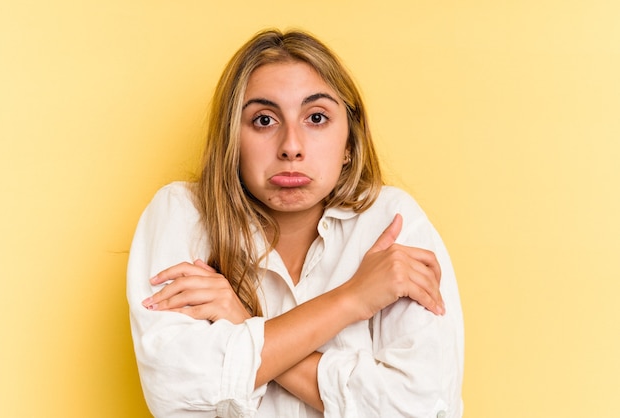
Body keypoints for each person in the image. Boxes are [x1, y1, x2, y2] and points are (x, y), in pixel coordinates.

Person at [127, 29, 464, 418]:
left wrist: (244, 324)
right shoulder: (181, 216)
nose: (291, 146)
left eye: (316, 118)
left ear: (350, 144)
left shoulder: (391, 222)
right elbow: (176, 390)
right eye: (264, 120)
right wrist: (351, 299)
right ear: (231, 139)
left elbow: (417, 407)